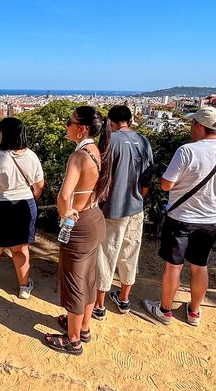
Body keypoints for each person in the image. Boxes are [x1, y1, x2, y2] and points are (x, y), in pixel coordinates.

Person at [143, 106, 216, 326]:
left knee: (174, 266)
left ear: (198, 125)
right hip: (210, 219)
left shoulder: (187, 151)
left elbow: (166, 185)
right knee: (200, 266)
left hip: (181, 217)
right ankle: (194, 312)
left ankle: (165, 310)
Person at [43, 106, 112, 356]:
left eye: (69, 122)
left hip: (80, 223)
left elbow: (64, 196)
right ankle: (83, 327)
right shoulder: (97, 150)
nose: (66, 126)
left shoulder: (78, 156)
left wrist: (65, 213)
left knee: (74, 280)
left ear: (81, 129)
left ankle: (72, 340)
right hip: (95, 218)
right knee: (88, 277)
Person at [0, 117, 44, 301]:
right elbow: (39, 186)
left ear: (2, 134)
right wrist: (30, 199)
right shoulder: (32, 156)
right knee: (20, 250)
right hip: (23, 206)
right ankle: (24, 288)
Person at [93, 105, 153, 319]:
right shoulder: (143, 141)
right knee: (130, 254)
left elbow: (99, 176)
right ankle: (124, 299)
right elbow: (147, 179)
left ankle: (99, 305)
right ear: (129, 120)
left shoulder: (109, 141)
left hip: (113, 208)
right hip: (135, 207)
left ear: (111, 122)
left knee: (106, 255)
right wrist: (138, 198)